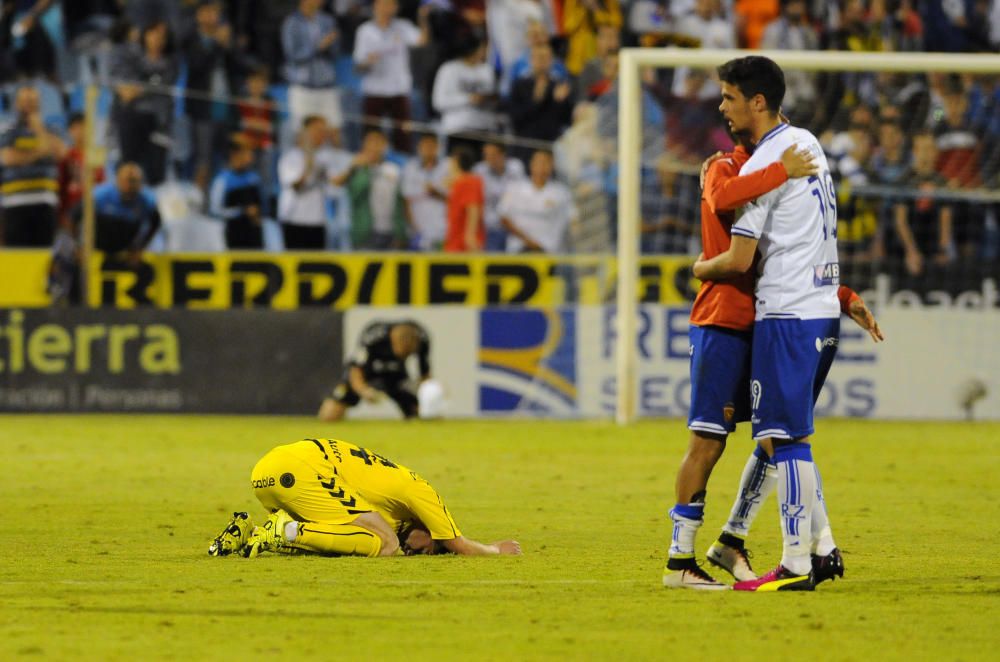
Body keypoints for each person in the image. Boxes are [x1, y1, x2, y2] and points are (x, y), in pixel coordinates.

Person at [662, 134, 884, 590]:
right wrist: (701, 268)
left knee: (777, 440)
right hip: (723, 320)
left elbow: (787, 256)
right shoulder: (726, 167)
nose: (729, 112)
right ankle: (679, 560)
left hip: (768, 320)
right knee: (708, 440)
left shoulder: (780, 173)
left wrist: (839, 295)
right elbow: (725, 206)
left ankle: (737, 541)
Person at [692, 55, 852, 591]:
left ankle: (795, 564)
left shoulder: (765, 163)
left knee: (784, 441)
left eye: (729, 97)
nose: (722, 106)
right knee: (784, 437)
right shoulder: (806, 143)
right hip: (822, 308)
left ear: (757, 102)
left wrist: (697, 268)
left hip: (786, 313)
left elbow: (738, 260)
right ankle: (820, 549)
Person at [208, 436, 522, 558]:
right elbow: (459, 544)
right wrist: (496, 550)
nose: (420, 553)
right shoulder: (421, 491)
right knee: (386, 544)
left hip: (269, 469)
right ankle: (282, 530)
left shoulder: (390, 503)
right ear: (428, 529)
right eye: (430, 549)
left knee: (346, 539)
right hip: (305, 468)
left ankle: (246, 534)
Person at [353, 0, 430, 152]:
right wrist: (368, 61)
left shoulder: (403, 27)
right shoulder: (365, 31)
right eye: (384, 4)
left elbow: (422, 40)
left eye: (391, 4)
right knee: (371, 134)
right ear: (375, 6)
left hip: (398, 90)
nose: (387, 8)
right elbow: (358, 66)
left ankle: (402, 166)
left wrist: (423, 19)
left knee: (403, 134)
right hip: (375, 90)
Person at [318, 320, 430, 422]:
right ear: (393, 339)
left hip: (396, 376)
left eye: (407, 355)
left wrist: (427, 397)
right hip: (367, 374)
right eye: (401, 353)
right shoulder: (373, 336)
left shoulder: (421, 339)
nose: (403, 357)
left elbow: (425, 375)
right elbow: (355, 369)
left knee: (423, 413)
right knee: (329, 414)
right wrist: (364, 391)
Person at [0, 84, 66, 246]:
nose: (29, 105)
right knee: (18, 258)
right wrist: (41, 151)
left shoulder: (51, 130)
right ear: (17, 104)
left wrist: (38, 128)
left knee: (44, 257)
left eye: (33, 101)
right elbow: (8, 158)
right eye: (25, 101)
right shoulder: (9, 131)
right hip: (15, 202)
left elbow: (60, 153)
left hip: (46, 201)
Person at [333, 129, 409, 250]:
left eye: (378, 142)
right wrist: (353, 168)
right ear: (364, 145)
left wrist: (401, 233)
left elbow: (402, 202)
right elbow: (336, 184)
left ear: (385, 146)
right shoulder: (356, 169)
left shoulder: (393, 169)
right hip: (365, 232)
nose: (374, 147)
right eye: (371, 142)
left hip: (392, 232)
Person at [499, 150, 577, 254]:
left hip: (549, 252)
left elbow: (573, 219)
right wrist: (528, 241)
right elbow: (503, 217)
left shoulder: (561, 192)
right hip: (518, 250)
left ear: (552, 165)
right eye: (539, 162)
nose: (542, 166)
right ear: (531, 164)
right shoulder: (515, 188)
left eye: (546, 162)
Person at [282, 0, 342, 135]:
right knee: (301, 134)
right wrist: (318, 47)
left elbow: (336, 53)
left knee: (334, 132)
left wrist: (330, 45)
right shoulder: (292, 23)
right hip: (303, 87)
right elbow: (292, 55)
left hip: (326, 85)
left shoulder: (328, 21)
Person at [277, 115, 334, 250]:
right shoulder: (290, 158)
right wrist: (309, 163)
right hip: (294, 220)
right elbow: (296, 186)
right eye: (317, 130)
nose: (321, 135)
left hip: (318, 220)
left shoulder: (325, 157)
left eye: (324, 131)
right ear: (305, 132)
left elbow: (336, 182)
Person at [89, 162, 162, 260]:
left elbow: (156, 223)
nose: (130, 185)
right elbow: (74, 217)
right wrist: (81, 245)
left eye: (134, 181)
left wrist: (140, 247)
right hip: (98, 244)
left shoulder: (147, 200)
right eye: (127, 180)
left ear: (141, 183)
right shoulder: (100, 195)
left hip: (127, 248)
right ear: (118, 180)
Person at [209, 140, 265, 249]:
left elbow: (261, 208)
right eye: (247, 153)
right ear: (235, 154)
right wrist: (242, 211)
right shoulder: (222, 180)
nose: (251, 157)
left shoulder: (254, 178)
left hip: (253, 237)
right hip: (232, 236)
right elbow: (215, 210)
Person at [473, 140, 525, 252]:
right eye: (486, 155)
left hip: (514, 228)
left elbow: (522, 193)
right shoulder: (479, 171)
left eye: (493, 155)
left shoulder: (516, 167)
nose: (489, 159)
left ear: (502, 155)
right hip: (491, 228)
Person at [401, 133, 450, 250]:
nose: (428, 149)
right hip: (418, 229)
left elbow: (453, 199)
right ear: (419, 147)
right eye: (425, 146)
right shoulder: (410, 168)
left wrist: (435, 192)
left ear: (438, 147)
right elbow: (406, 201)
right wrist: (414, 228)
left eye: (431, 146)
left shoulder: (448, 166)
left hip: (443, 229)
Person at [444, 145, 485, 252]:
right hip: (455, 239)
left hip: (463, 243)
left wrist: (470, 236)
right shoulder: (460, 182)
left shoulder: (469, 182)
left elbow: (473, 208)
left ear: (456, 161)